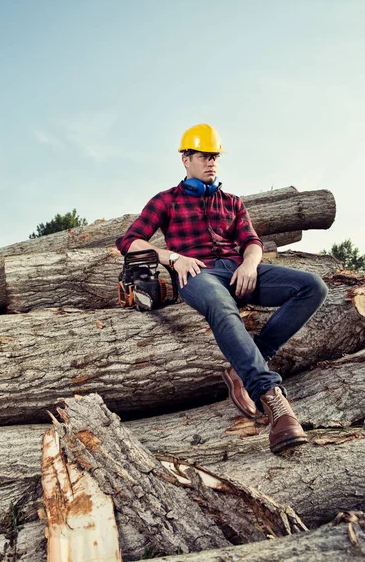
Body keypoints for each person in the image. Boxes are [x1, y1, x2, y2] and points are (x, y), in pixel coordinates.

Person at [116, 123, 328, 454]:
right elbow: (129, 241)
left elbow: (252, 242)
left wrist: (249, 264)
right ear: (186, 159)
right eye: (204, 156)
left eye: (215, 156)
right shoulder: (165, 201)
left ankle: (243, 364)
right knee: (221, 305)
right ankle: (273, 400)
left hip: (237, 268)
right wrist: (173, 258)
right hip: (197, 274)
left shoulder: (231, 202)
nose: (211, 162)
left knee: (312, 286)